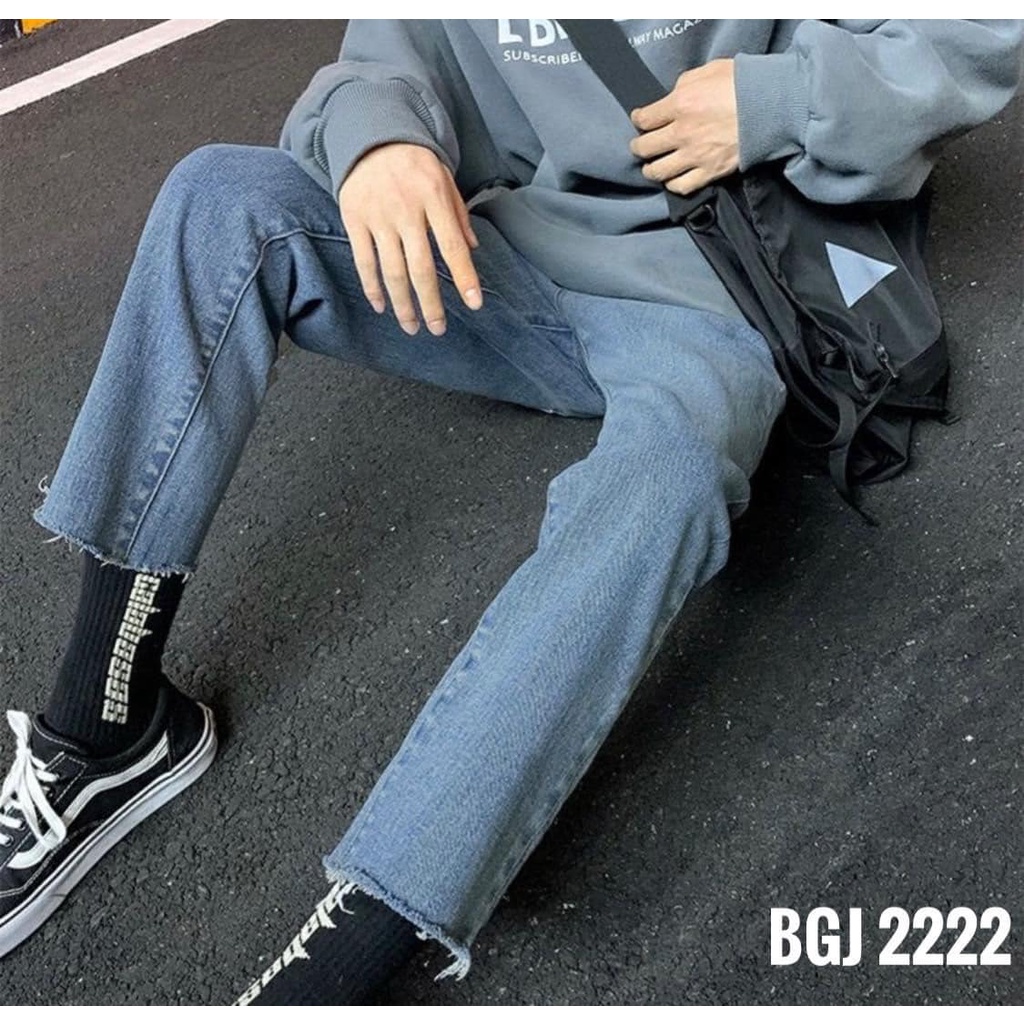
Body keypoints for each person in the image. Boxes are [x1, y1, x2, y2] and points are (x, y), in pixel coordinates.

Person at [1, 18, 1020, 1005]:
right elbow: (386, 63)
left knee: (663, 474)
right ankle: (108, 720)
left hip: (715, 285)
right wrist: (376, 141)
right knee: (220, 197)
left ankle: (350, 955)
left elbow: (973, 34)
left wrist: (779, 101)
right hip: (516, 259)